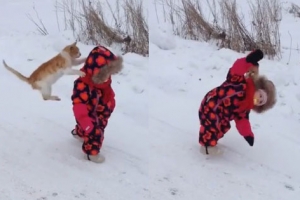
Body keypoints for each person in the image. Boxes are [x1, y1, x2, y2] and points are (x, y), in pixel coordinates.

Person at [198, 50, 276, 155]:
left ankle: (211, 141)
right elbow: (236, 69)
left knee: (223, 127)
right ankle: (207, 146)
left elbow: (242, 121)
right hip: (212, 104)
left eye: (261, 102)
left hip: (222, 116)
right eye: (261, 96)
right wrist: (248, 61)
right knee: (212, 124)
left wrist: (248, 134)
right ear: (258, 89)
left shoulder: (245, 109)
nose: (259, 99)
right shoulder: (240, 83)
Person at [70, 45, 123, 163]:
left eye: (109, 74)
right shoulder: (82, 85)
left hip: (100, 110)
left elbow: (109, 94)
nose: (108, 78)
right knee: (95, 132)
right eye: (105, 75)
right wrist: (87, 124)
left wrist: (110, 105)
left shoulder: (103, 82)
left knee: (96, 125)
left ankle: (80, 133)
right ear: (95, 72)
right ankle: (91, 153)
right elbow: (79, 106)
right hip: (86, 113)